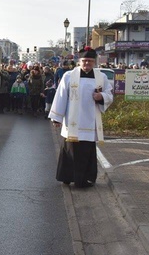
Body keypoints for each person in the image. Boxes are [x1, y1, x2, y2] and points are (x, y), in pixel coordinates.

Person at [49, 47, 114, 188]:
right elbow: (61, 96)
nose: (87, 64)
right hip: (72, 121)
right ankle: (67, 176)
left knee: (86, 151)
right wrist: (57, 117)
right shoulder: (68, 76)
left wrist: (101, 96)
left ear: (94, 62)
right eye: (84, 61)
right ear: (79, 61)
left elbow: (109, 95)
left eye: (90, 61)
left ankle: (85, 179)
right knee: (70, 150)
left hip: (90, 121)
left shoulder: (101, 77)